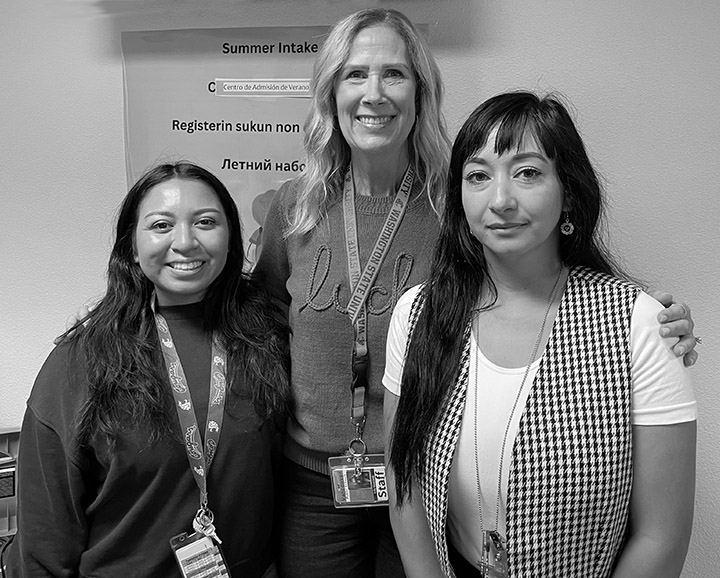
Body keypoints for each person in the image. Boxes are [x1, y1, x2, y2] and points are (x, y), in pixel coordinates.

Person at [252, 9, 697, 578]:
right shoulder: (293, 208)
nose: (373, 93)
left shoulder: (460, 204)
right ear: (330, 92)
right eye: (354, 74)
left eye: (394, 74)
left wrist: (648, 319)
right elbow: (257, 322)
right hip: (314, 484)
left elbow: (532, 278)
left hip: (424, 477)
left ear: (421, 93)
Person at [384, 92, 697, 578]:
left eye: (527, 173)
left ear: (568, 190)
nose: (501, 200)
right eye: (478, 176)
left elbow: (662, 537)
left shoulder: (639, 325)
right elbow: (404, 482)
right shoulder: (419, 314)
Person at [5, 162, 290, 577]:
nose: (185, 242)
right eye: (161, 225)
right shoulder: (82, 360)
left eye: (206, 222)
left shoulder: (268, 341)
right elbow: (45, 540)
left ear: (231, 237)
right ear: (133, 248)